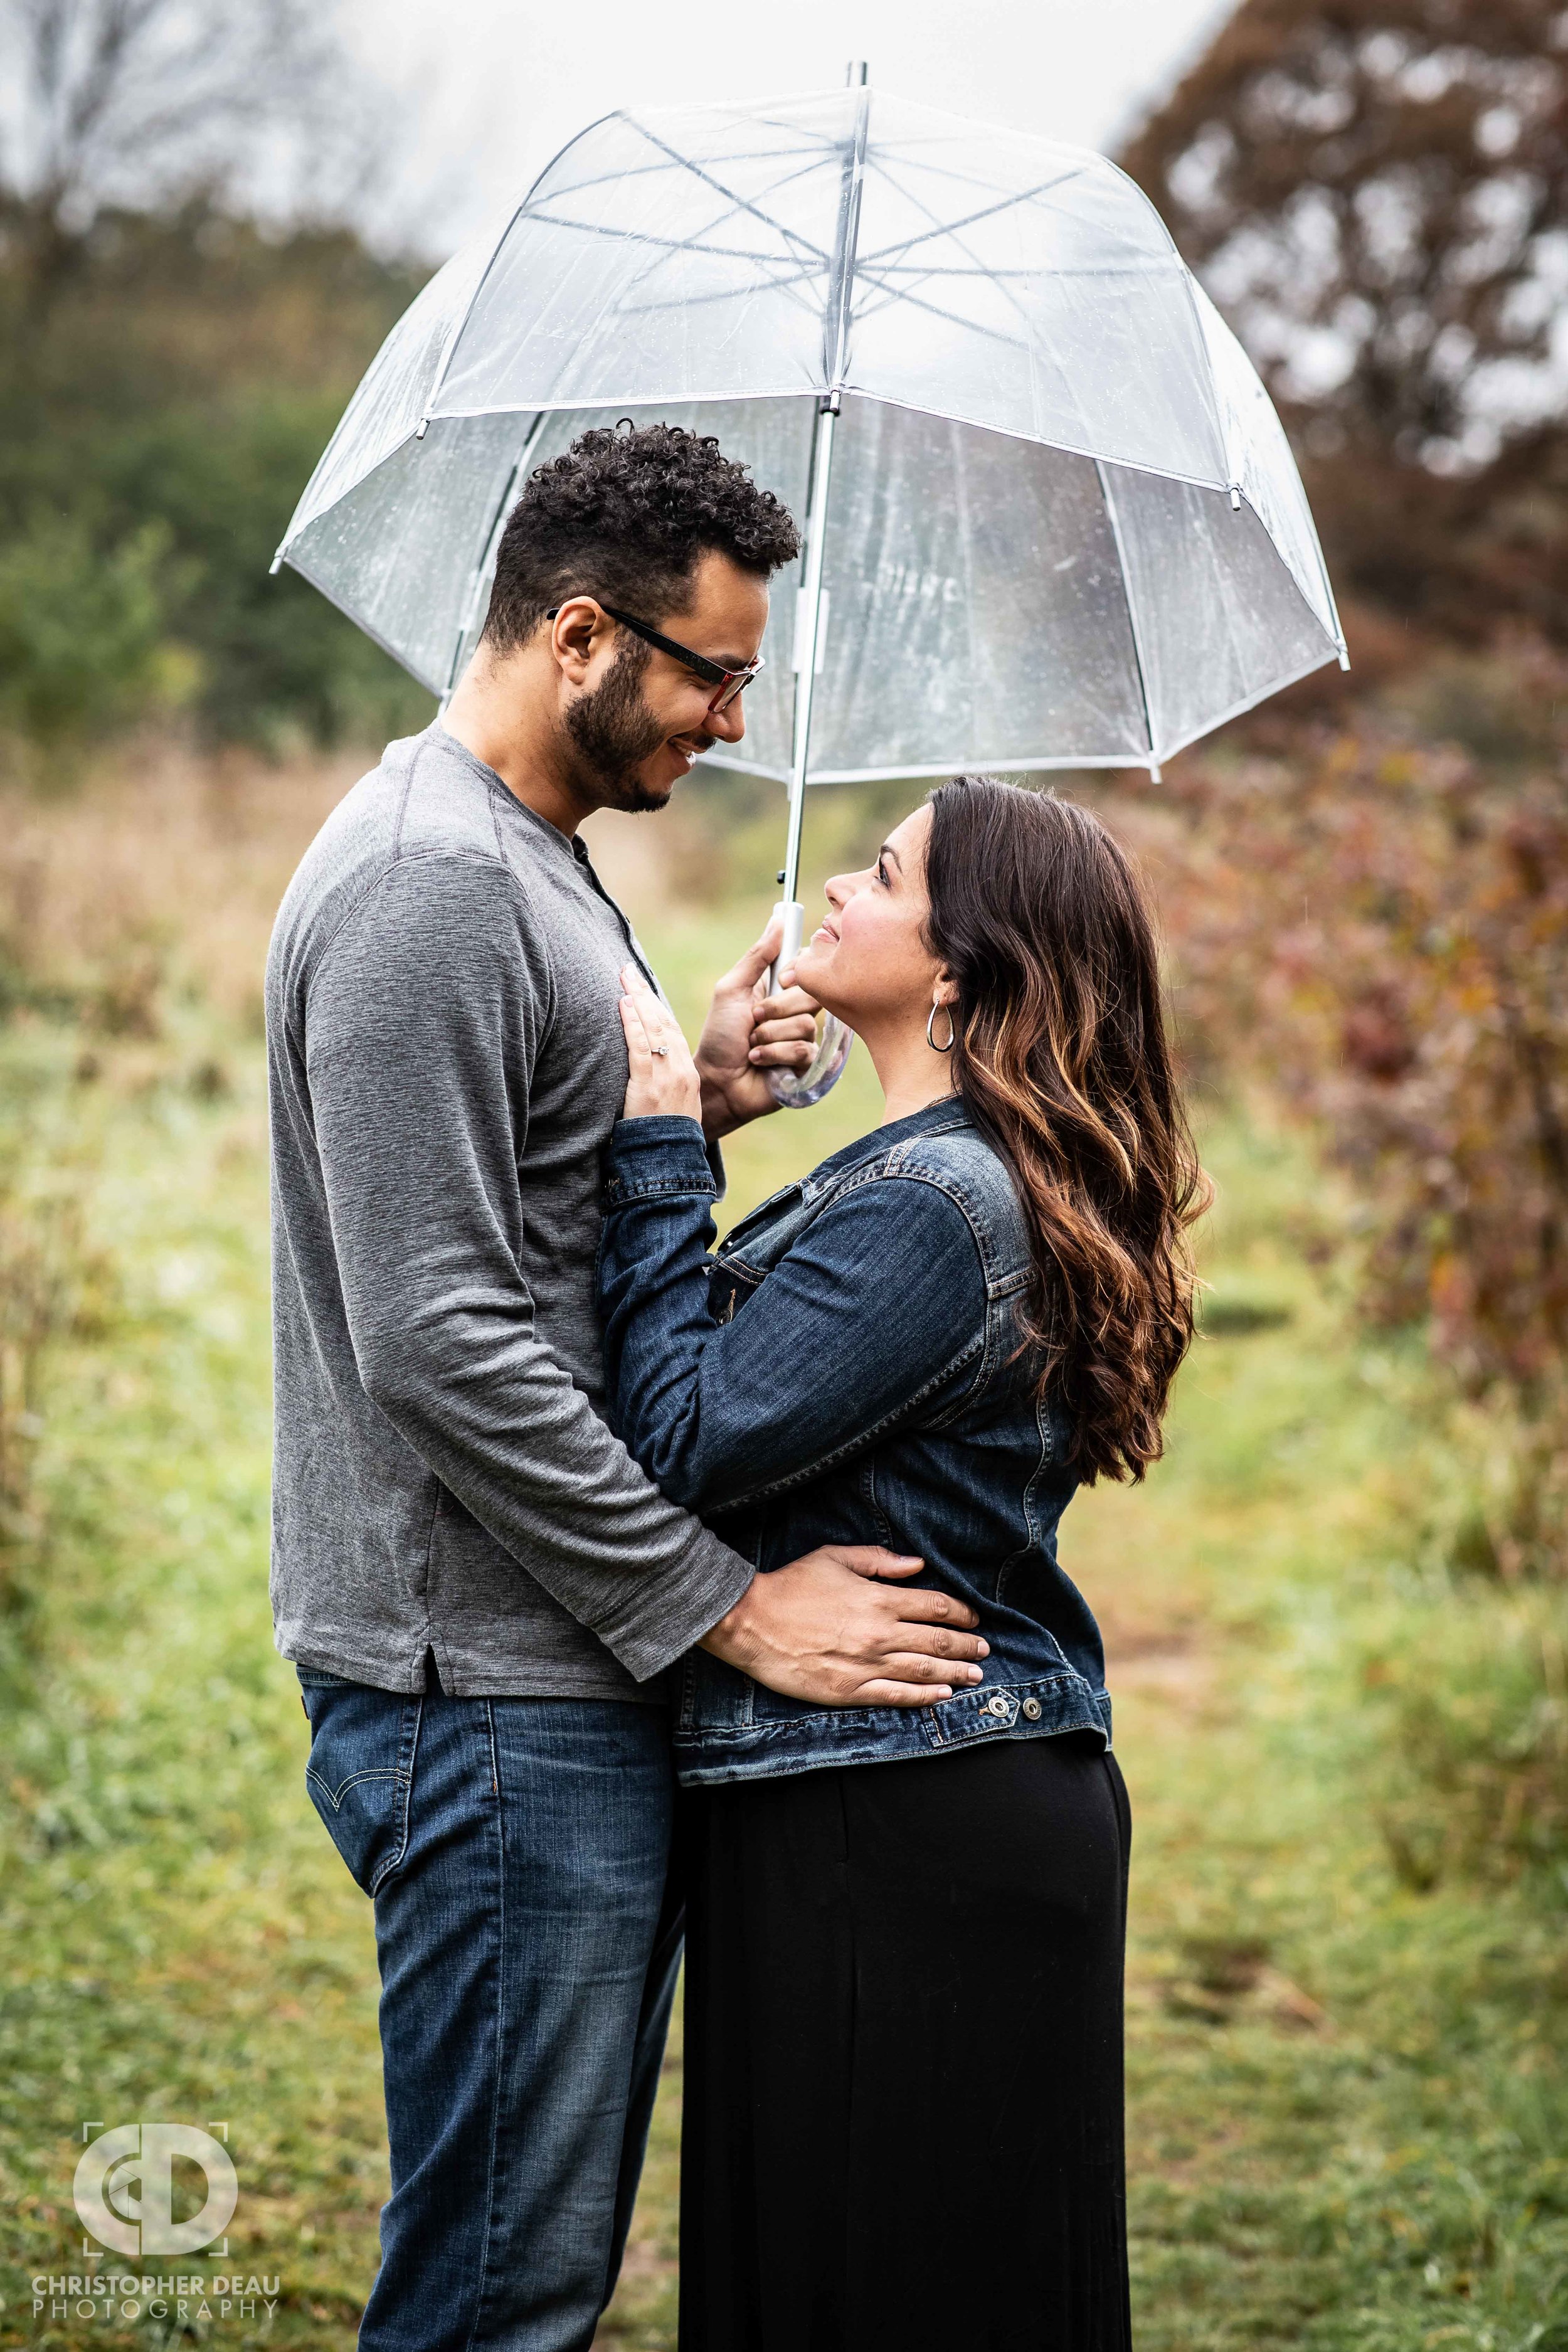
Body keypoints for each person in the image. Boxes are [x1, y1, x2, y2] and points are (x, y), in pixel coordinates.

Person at [265, 423, 989, 2352]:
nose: (735, 722)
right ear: (579, 633)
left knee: (535, 2264)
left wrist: (710, 1105)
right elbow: (440, 1335)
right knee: (502, 2291)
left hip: (541, 1666)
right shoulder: (430, 887)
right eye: (711, 672)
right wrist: (725, 1604)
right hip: (483, 1689)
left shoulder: (534, 862)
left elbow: (522, 1220)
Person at [598, 775, 1210, 2352]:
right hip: (907, 1792)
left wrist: (665, 1144)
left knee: (870, 2289)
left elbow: (682, 1436)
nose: (842, 894)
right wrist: (721, 1114)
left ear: (955, 968)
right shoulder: (933, 1175)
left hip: (897, 1811)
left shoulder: (936, 1206)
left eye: (881, 874)